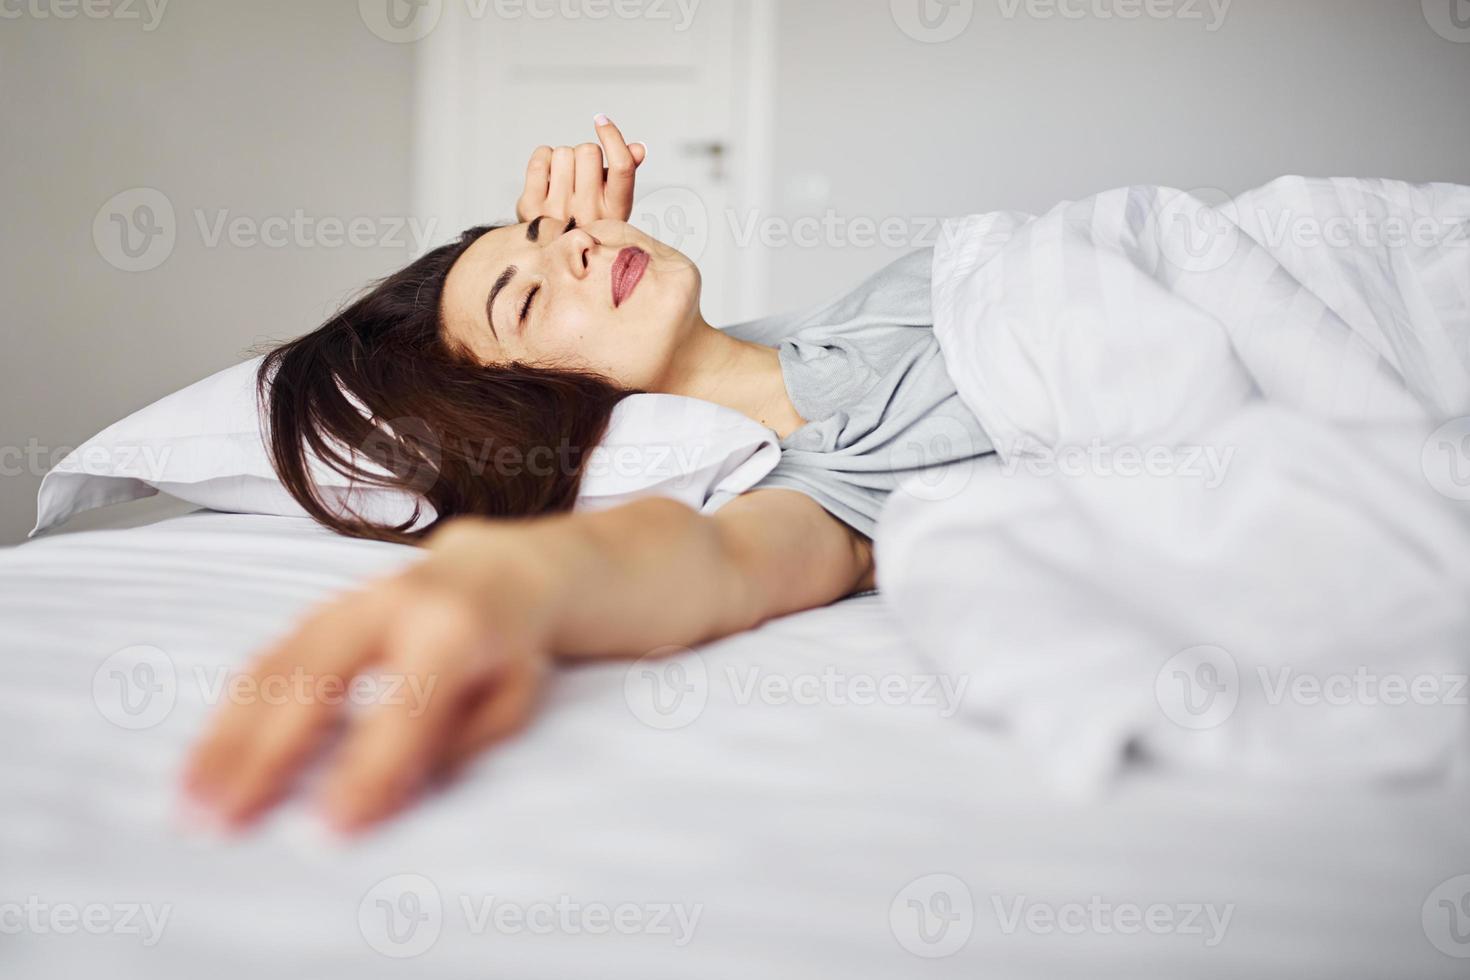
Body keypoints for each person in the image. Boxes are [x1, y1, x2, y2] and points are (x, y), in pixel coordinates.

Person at [182, 115, 992, 833]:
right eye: (523, 305)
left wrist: (582, 268)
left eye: (551, 233)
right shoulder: (832, 479)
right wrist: (516, 578)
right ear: (530, 406)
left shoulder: (861, 312)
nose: (575, 242)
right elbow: (724, 561)